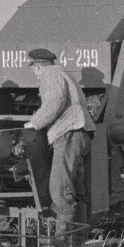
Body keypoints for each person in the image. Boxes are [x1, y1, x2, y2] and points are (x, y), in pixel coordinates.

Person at [23, 48, 96, 234]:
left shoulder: (50, 74)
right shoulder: (61, 73)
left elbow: (53, 105)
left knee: (60, 190)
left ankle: (62, 244)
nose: (34, 73)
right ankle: (77, 239)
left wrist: (33, 123)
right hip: (78, 133)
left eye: (33, 68)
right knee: (74, 189)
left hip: (68, 134)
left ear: (37, 65)